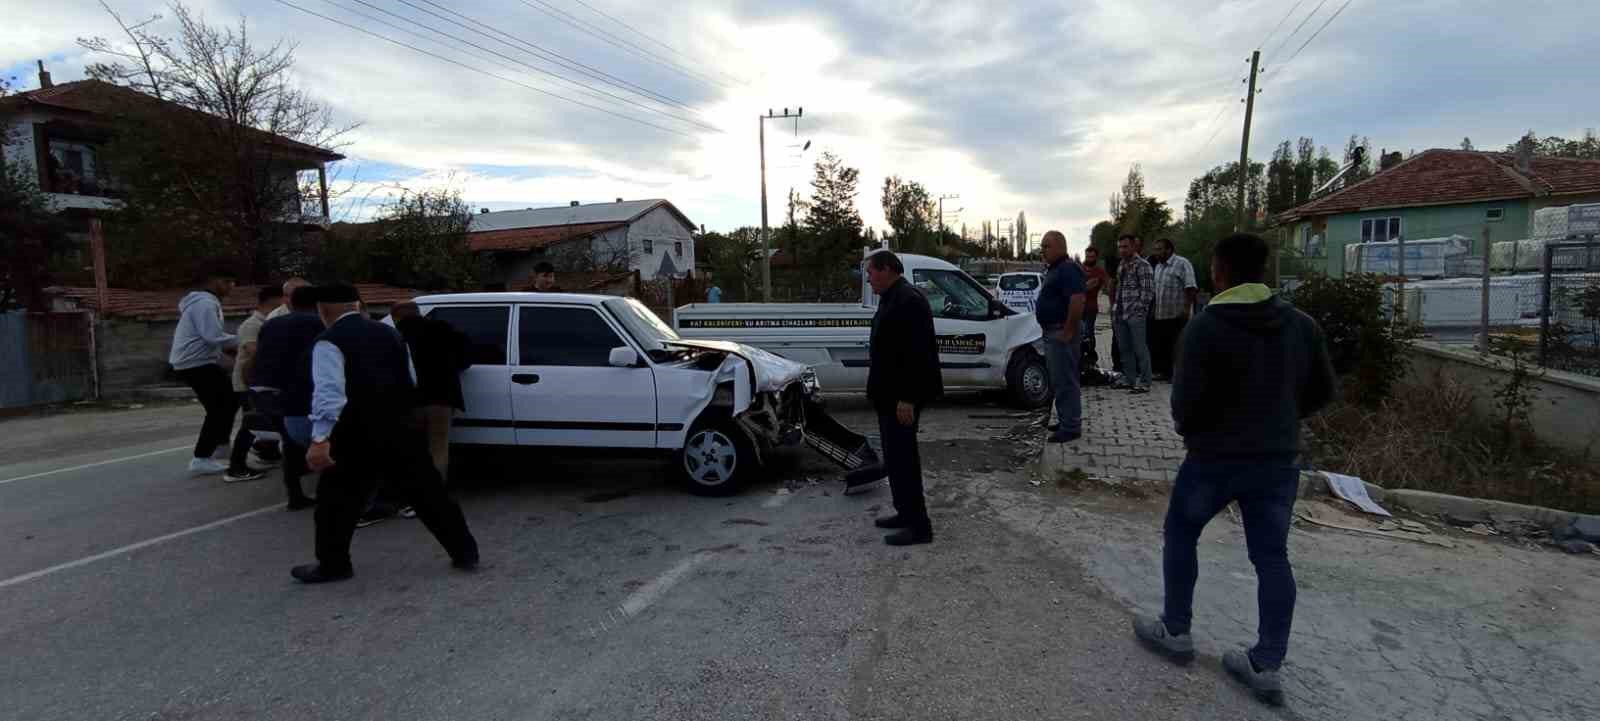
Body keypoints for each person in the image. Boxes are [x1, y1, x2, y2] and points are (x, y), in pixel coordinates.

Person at [1131, 233, 1337, 707]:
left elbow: (1183, 405)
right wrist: (1281, 419)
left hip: (1214, 459)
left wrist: (1200, 432)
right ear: (1263, 272)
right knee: (1272, 558)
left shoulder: (1205, 328)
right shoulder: (1301, 325)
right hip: (1277, 461)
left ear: (1219, 273)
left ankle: (1176, 631)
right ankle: (1265, 665)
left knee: (1181, 533)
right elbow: (1322, 392)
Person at [292, 284, 479, 584]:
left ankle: (334, 564)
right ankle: (465, 551)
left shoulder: (328, 341)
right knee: (430, 494)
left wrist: (319, 439)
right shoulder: (391, 333)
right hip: (401, 429)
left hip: (355, 435)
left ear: (322, 310)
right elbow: (411, 379)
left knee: (335, 502)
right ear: (357, 306)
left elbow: (329, 395)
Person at [863, 250, 942, 546]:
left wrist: (908, 398)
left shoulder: (910, 300)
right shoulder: (891, 297)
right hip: (888, 394)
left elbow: (918, 355)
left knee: (904, 459)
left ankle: (919, 526)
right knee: (895, 459)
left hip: (902, 397)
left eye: (871, 272)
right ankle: (904, 513)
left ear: (886, 269)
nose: (868, 278)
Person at [254, 285, 324, 510]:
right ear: (318, 305)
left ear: (291, 303)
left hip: (268, 393)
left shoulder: (271, 324)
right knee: (323, 440)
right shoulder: (318, 324)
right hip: (303, 392)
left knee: (290, 444)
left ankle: (295, 494)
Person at [170, 267, 240, 476]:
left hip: (196, 362)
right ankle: (202, 457)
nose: (231, 287)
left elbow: (212, 340)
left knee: (228, 402)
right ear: (213, 280)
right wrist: (245, 339)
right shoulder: (205, 303)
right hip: (195, 363)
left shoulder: (206, 302)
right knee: (221, 406)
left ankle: (220, 446)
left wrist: (232, 352)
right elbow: (212, 336)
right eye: (227, 281)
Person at [389, 302, 470, 482]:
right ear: (419, 313)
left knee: (412, 449)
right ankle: (436, 492)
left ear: (396, 318)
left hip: (410, 401)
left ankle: (413, 497)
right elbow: (465, 359)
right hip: (442, 398)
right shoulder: (444, 329)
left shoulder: (393, 335)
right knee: (438, 447)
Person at [223, 286, 282, 483]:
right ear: (273, 301)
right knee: (251, 424)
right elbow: (253, 351)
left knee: (267, 419)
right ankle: (236, 467)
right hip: (248, 383)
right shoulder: (253, 324)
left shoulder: (265, 322)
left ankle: (268, 452)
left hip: (258, 381)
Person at [1035, 231, 1085, 443]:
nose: (1043, 251)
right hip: (1053, 332)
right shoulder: (1055, 269)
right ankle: (1066, 419)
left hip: (1061, 332)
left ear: (1060, 247)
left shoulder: (1068, 268)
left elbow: (1077, 300)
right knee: (1059, 379)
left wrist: (1068, 330)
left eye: (1046, 246)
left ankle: (1071, 426)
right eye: (1042, 246)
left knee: (1066, 380)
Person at [1148, 238, 1198, 381]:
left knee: (1177, 345)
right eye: (1155, 249)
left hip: (1177, 313)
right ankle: (1165, 372)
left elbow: (1191, 287)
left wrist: (1186, 309)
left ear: (1169, 250)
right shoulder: (1158, 267)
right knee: (1162, 345)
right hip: (1160, 314)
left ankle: (1178, 374)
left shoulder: (1182, 263)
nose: (1156, 252)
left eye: (1159, 249)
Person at [1112, 234, 1155, 393]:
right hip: (1120, 314)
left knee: (1140, 348)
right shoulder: (1122, 265)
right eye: (1120, 247)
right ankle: (1129, 379)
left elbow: (1148, 291)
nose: (1122, 250)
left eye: (1125, 246)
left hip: (1135, 314)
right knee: (1125, 349)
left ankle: (1145, 381)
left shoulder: (1142, 265)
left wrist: (1139, 310)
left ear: (1133, 247)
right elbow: (1119, 289)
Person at [1081, 246, 1110, 368]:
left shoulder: (1099, 271)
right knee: (1079, 334)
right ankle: (1081, 358)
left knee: (1088, 333)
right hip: (1077, 307)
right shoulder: (1078, 268)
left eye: (1092, 257)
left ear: (1096, 257)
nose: (1089, 258)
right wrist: (1086, 286)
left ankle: (1091, 359)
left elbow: (1108, 285)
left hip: (1091, 308)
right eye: (1087, 256)